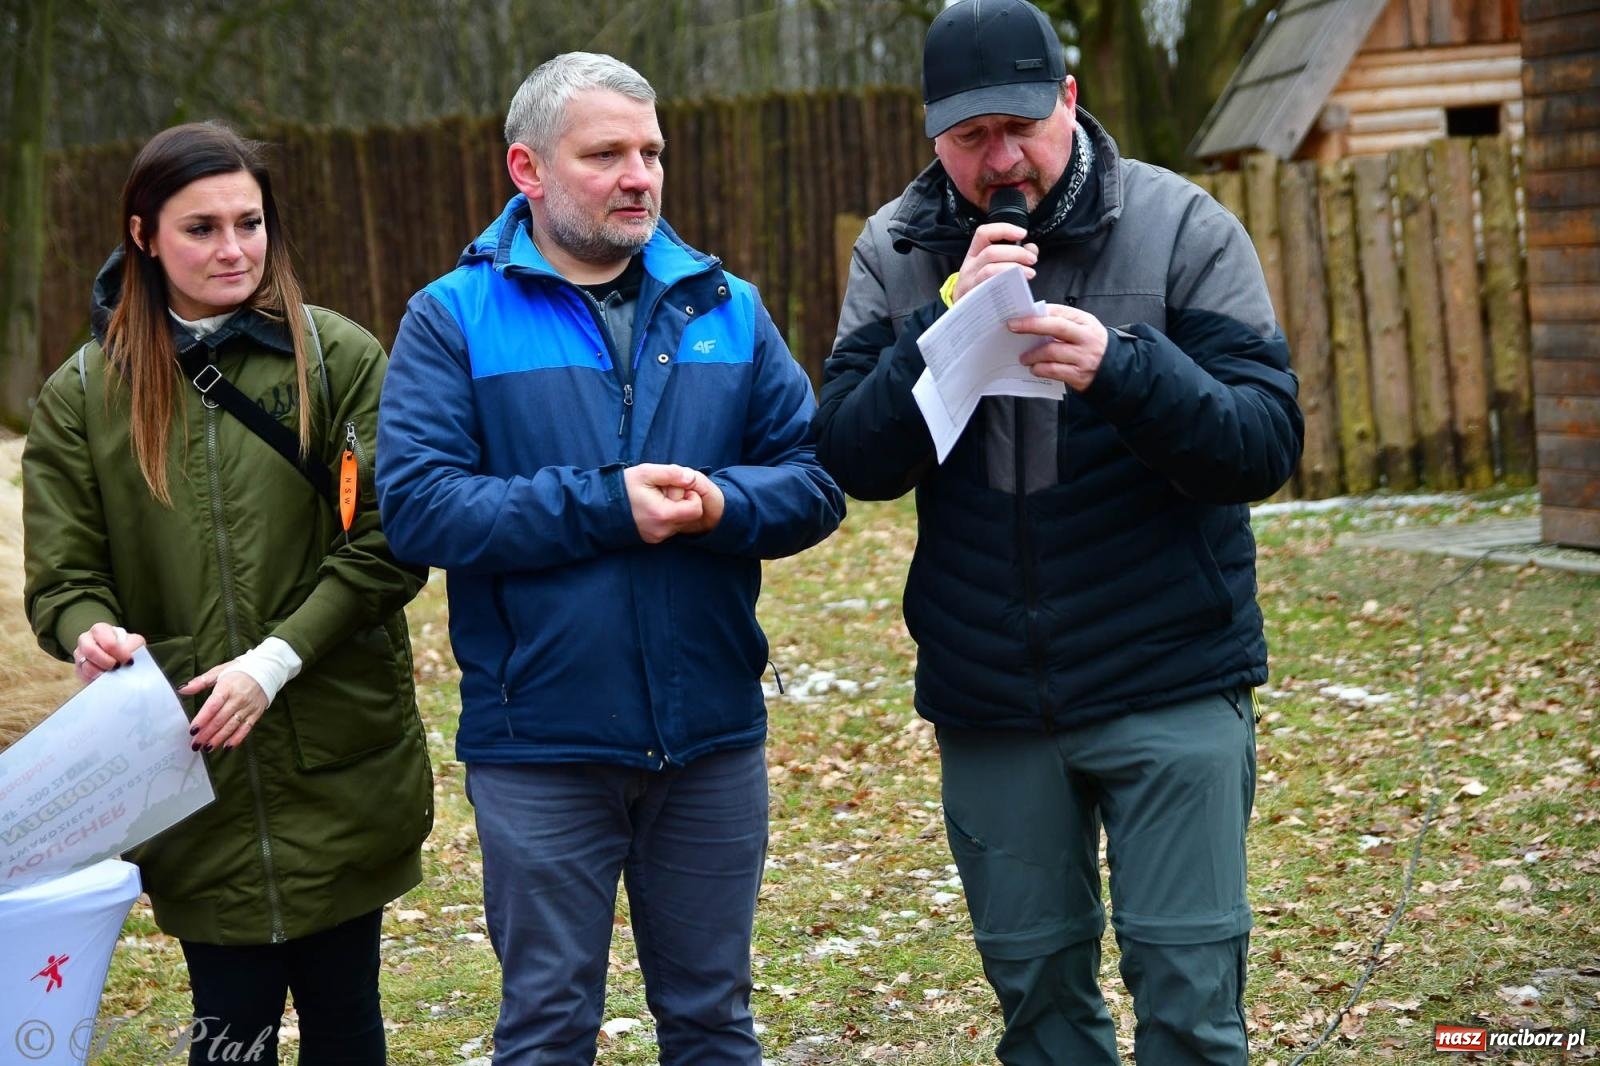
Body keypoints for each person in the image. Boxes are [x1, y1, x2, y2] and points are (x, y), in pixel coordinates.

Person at [813, 1, 1306, 1063]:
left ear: (1068, 102)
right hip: (991, 693)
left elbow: (1263, 444)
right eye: (967, 138)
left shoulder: (1183, 227)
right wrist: (942, 321)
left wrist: (1124, 368)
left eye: (1019, 129)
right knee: (1038, 1003)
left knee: (1187, 996)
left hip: (1168, 675)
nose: (1000, 161)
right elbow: (852, 459)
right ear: (931, 134)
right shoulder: (897, 250)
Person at [376, 52, 844, 1065]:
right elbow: (417, 509)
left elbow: (814, 479)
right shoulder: (451, 317)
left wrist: (723, 502)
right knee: (547, 1025)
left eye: (651, 152)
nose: (639, 175)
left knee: (715, 1022)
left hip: (711, 737)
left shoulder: (726, 307)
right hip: (540, 739)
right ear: (527, 169)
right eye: (606, 155)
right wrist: (604, 505)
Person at [22, 122, 433, 1065]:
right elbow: (64, 582)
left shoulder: (338, 358)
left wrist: (274, 662)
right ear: (142, 235)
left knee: (346, 1021)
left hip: (338, 755)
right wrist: (93, 635)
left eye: (248, 222)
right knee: (229, 1032)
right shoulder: (82, 394)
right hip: (187, 770)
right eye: (200, 227)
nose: (232, 248)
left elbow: (385, 547)